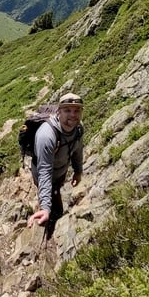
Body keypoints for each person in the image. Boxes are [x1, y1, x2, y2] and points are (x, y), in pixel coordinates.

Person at [27, 92, 84, 237]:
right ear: (59, 112)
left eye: (77, 110)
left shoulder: (78, 128)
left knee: (56, 190)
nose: (73, 115)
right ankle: (45, 214)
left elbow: (78, 149)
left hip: (61, 171)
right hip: (42, 172)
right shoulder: (46, 135)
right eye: (67, 110)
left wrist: (78, 171)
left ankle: (55, 211)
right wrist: (45, 208)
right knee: (48, 194)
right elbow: (44, 171)